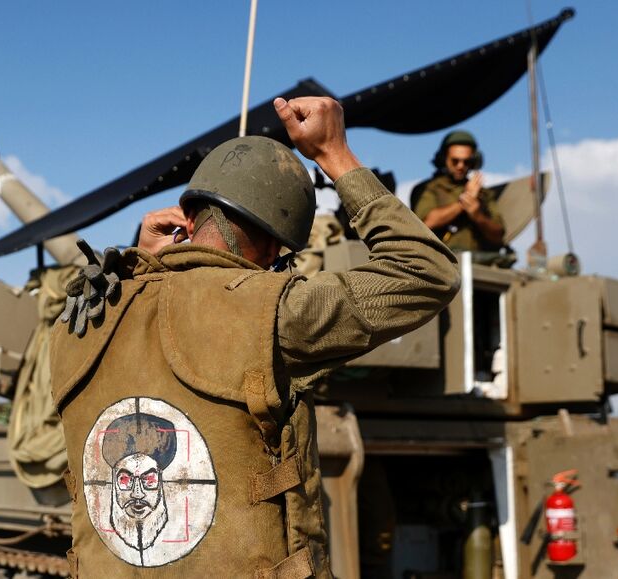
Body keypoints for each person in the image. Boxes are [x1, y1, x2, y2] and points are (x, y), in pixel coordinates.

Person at [48, 97, 459, 578]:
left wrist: (143, 268)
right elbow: (426, 273)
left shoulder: (76, 323)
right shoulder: (275, 310)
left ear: (191, 217)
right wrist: (334, 154)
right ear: (274, 244)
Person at [411, 131, 505, 254]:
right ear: (444, 158)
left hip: (477, 265)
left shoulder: (483, 194)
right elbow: (426, 223)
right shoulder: (429, 188)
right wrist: (463, 202)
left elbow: (498, 235)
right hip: (439, 262)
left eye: (466, 162)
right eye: (455, 161)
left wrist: (477, 215)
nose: (460, 166)